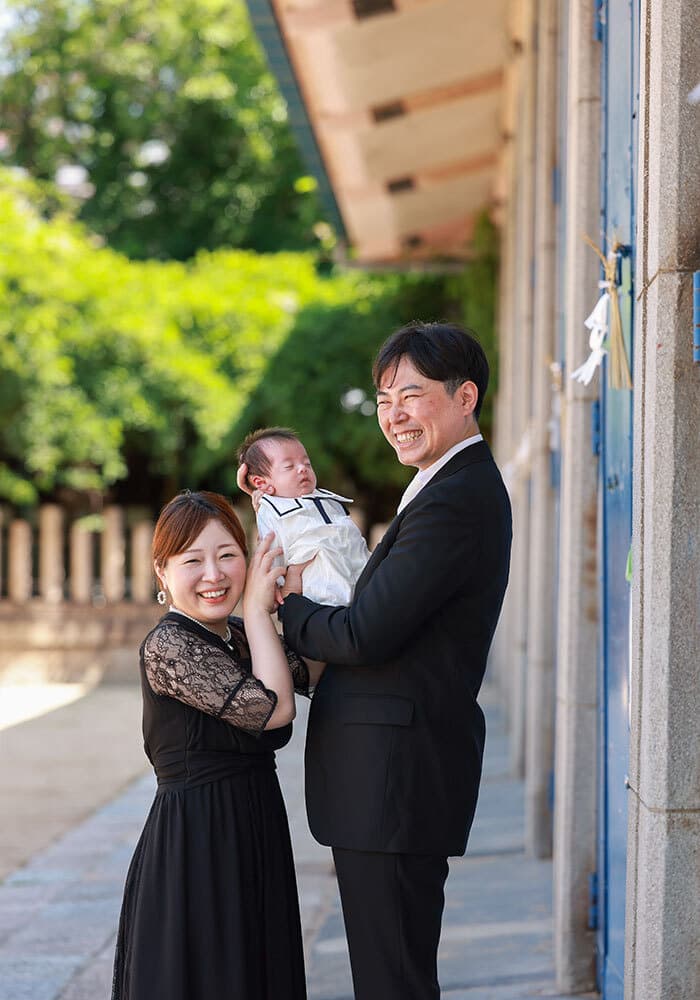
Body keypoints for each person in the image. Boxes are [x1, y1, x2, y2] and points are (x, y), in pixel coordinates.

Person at [262, 321, 512, 1000]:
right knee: (390, 974)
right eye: (382, 399)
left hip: (395, 779)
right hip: (390, 776)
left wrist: (285, 606)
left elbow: (367, 634)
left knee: (393, 979)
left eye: (411, 394)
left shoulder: (457, 497)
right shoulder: (440, 484)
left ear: (466, 397)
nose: (393, 414)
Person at [111, 490, 314, 1000]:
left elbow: (314, 670)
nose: (213, 575)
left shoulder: (242, 635)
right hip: (197, 841)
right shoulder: (169, 646)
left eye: (227, 555)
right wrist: (260, 612)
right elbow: (273, 710)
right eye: (193, 560)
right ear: (163, 572)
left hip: (255, 823)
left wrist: (299, 589)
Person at [237, 427, 370, 606]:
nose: (302, 469)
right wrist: (279, 587)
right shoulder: (272, 512)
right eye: (289, 466)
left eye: (307, 463)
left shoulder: (326, 500)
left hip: (363, 579)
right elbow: (272, 552)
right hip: (322, 596)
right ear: (262, 483)